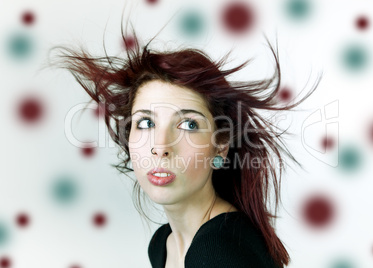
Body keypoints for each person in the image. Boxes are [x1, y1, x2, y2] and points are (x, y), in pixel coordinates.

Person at [53, 23, 318, 268]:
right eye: (145, 123)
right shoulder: (162, 244)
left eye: (189, 125)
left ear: (220, 146)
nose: (160, 146)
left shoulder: (218, 251)